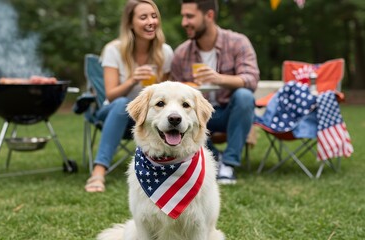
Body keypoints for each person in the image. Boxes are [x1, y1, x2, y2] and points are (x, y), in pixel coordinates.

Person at [85, 0, 174, 192]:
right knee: (121, 104)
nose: (151, 21)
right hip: (113, 114)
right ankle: (98, 172)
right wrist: (132, 80)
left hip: (146, 118)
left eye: (154, 16)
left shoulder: (165, 52)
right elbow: (110, 94)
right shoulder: (114, 50)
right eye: (143, 17)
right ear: (130, 23)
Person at [171, 0, 259, 184]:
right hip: (198, 115)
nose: (184, 22)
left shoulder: (237, 42)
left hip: (228, 112)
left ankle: (228, 163)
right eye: (183, 16)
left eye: (189, 16)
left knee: (245, 96)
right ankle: (213, 157)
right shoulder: (181, 53)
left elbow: (251, 79)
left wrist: (218, 78)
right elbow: (174, 93)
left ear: (209, 16)